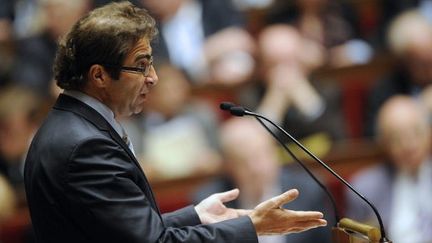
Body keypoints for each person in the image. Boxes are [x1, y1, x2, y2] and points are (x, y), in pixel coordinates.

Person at [23, 2, 327, 243]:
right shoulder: (84, 146)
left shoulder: (70, 126)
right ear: (99, 75)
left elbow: (122, 229)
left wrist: (196, 216)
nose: (153, 78)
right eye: (141, 66)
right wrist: (250, 228)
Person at [194, 117, 334, 243]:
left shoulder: (309, 189)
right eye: (243, 161)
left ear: (273, 151)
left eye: (259, 156)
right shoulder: (211, 203)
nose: (255, 169)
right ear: (229, 166)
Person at [345, 95, 432, 242]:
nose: (409, 145)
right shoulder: (364, 189)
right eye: (397, 138)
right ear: (384, 144)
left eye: (416, 132)